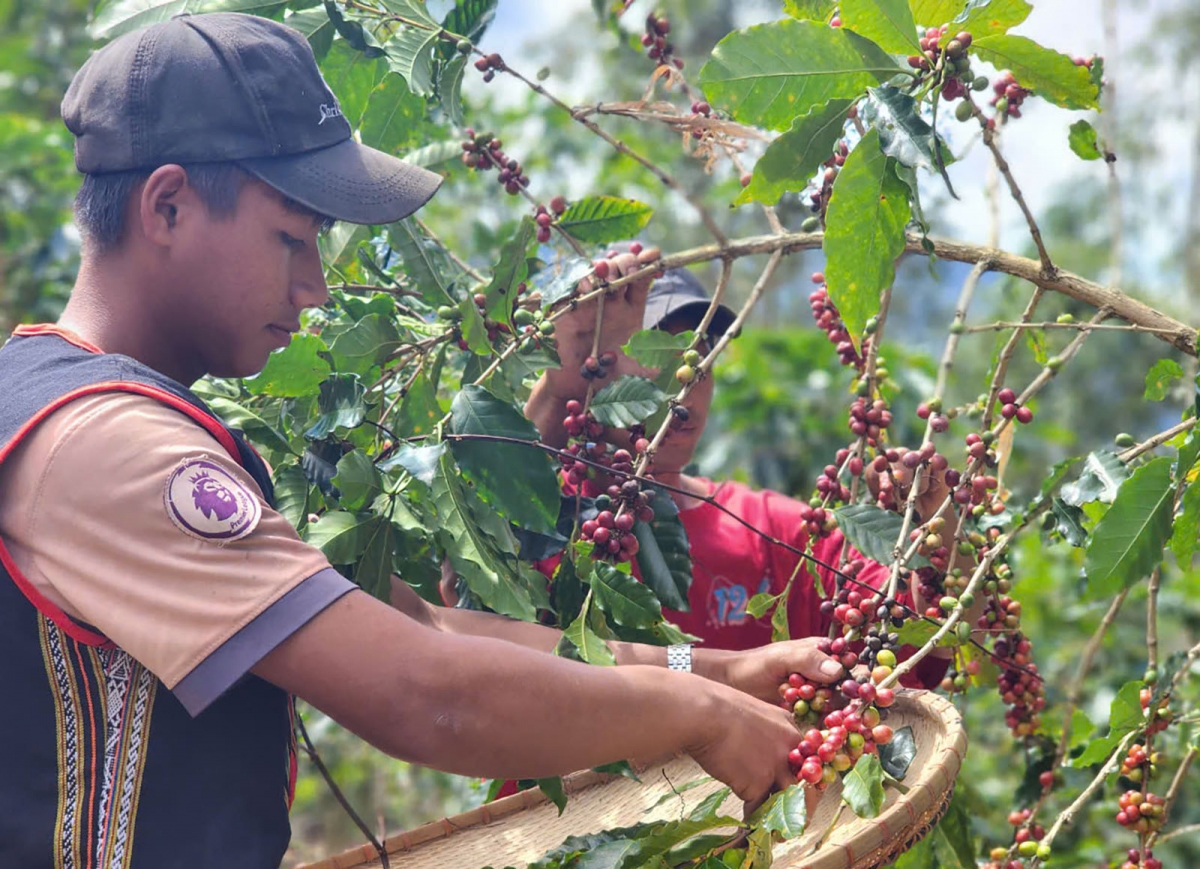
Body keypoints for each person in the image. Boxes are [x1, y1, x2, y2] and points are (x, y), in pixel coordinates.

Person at [0, 14, 857, 868]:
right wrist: (694, 717)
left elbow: (432, 630)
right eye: (292, 239)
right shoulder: (106, 444)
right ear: (169, 205)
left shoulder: (99, 411)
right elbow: (427, 693)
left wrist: (710, 670)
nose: (315, 289)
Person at [519, 251, 953, 689]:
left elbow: (922, 637)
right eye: (655, 361)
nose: (683, 389)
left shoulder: (770, 528)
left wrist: (938, 535)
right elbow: (464, 621)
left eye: (698, 361)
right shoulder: (541, 524)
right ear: (595, 368)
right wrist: (557, 395)